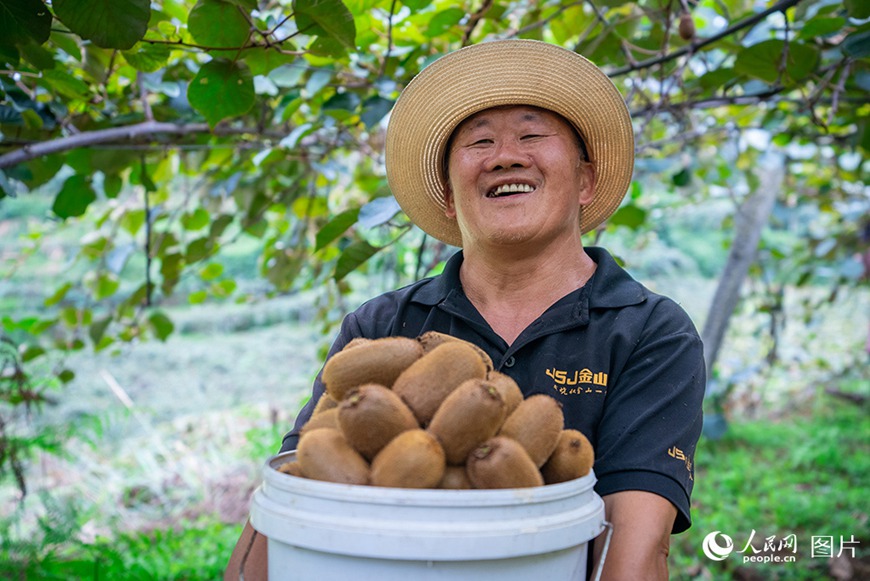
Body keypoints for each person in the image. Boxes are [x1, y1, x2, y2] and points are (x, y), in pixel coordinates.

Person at [225, 39, 705, 580]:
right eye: (479, 142)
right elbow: (295, 486)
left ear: (586, 181)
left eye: (531, 135)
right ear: (450, 196)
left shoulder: (650, 331)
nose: (505, 156)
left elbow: (635, 548)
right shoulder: (383, 325)